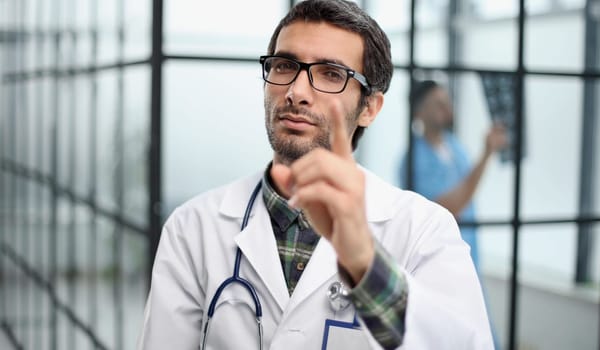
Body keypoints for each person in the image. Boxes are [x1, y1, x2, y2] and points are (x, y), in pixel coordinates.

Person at [139, 2, 493, 349]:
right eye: (284, 66)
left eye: (331, 74)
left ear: (369, 108)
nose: (296, 92)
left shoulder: (425, 231)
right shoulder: (192, 228)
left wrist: (366, 265)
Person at [400, 80, 507, 271]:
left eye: (446, 102)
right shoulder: (412, 160)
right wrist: (486, 154)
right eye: (438, 104)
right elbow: (448, 208)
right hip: (437, 262)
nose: (447, 108)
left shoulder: (456, 147)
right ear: (419, 113)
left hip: (469, 253)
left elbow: (467, 191)